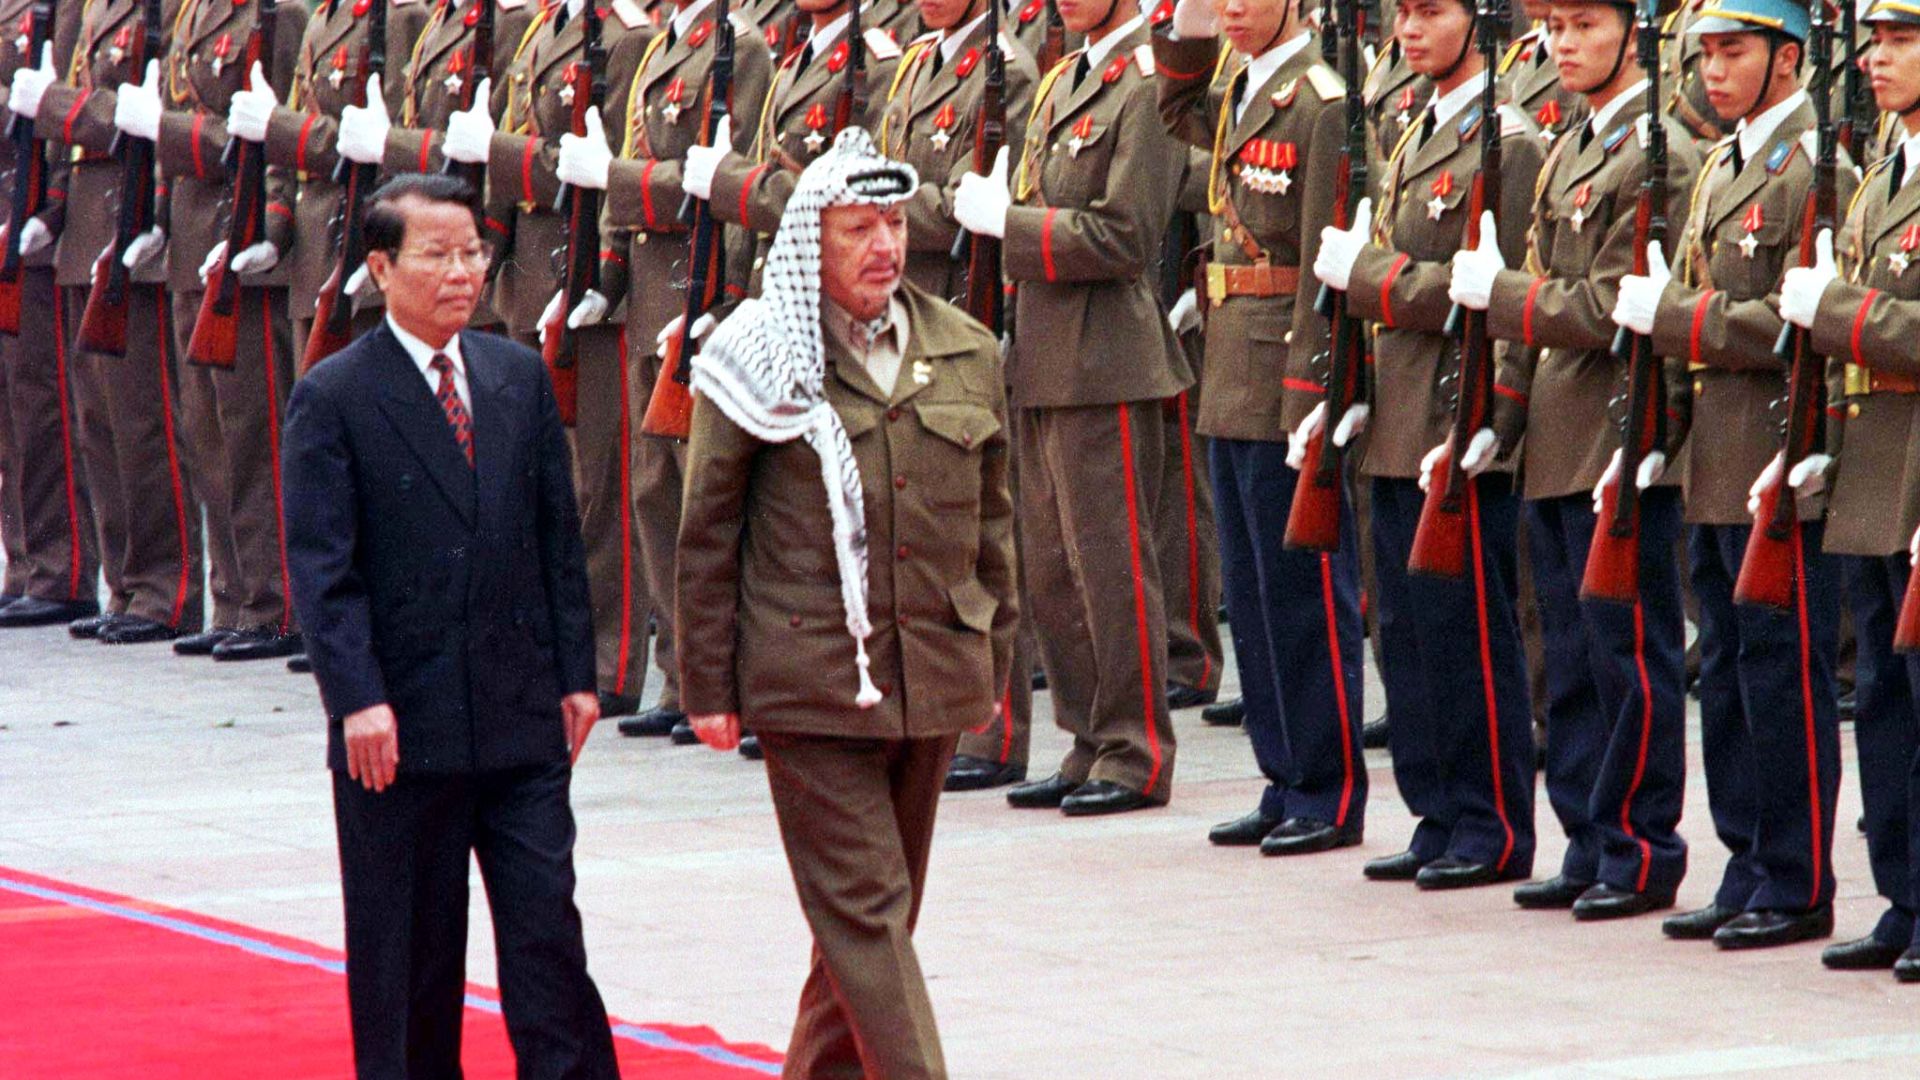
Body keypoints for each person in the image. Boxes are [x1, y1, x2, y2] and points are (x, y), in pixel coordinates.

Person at [676, 129, 1016, 1080]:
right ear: (808, 245)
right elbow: (707, 529)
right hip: (811, 682)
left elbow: (995, 529)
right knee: (867, 915)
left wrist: (993, 664)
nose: (885, 246)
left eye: (896, 223)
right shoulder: (756, 354)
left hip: (933, 673)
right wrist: (707, 683)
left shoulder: (966, 346)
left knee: (866, 928)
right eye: (857, 227)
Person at [281, 173, 620, 1074]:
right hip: (399, 729)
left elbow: (558, 540)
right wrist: (356, 699)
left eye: (473, 251)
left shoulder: (514, 376)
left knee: (548, 940)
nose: (462, 272)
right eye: (438, 255)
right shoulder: (337, 394)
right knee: (411, 961)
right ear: (382, 267)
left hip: (519, 718)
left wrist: (578, 675)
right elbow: (324, 571)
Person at [1448, 0, 1700, 920]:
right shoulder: (1572, 144)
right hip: (1555, 433)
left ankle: (1640, 846)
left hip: (1615, 431)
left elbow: (1609, 304)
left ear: (1632, 34)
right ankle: (1588, 837)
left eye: (1585, 24)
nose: (1563, 43)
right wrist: (1501, 420)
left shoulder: (1655, 151)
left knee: (1626, 657)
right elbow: (1539, 297)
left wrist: (1505, 294)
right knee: (1564, 655)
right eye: (1553, 26)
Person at [1612, 0, 1847, 950]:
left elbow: (1797, 324)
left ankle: (1795, 879)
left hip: (1771, 448)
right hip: (1712, 447)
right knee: (1727, 675)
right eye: (1704, 54)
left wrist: (1677, 319)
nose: (1712, 70)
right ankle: (1747, 860)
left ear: (1787, 59)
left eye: (1735, 52)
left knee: (1779, 674)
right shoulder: (1722, 161)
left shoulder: (1814, 172)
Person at [1315, 0, 1542, 885]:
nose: (1408, 30)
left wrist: (1499, 420)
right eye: (1401, 14)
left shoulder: (1509, 141)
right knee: (1405, 635)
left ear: (1477, 22)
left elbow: (1499, 288)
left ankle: (1491, 823)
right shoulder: (1412, 126)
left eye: (1430, 11)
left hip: (1458, 410)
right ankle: (1436, 810)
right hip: (1400, 413)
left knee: (1469, 636)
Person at [960, 0, 1192, 817]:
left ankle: (1135, 750)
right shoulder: (1067, 79)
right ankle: (1088, 738)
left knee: (1111, 566)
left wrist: (1010, 227)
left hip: (1109, 360)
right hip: (1043, 354)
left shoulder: (1150, 87)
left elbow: (1127, 236)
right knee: (1052, 569)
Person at [1155, 0, 1365, 846]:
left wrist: (1309, 393)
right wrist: (1190, 22)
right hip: (1230, 370)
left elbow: (1322, 260)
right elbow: (1172, 106)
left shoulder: (1320, 102)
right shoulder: (1240, 82)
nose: (1231, 7)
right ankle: (1283, 775)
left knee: (1303, 595)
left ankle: (1328, 790)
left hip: (1284, 370)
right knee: (1251, 588)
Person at [1781, 0, 1920, 982]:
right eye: (1875, 40)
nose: (1878, 58)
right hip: (1872, 457)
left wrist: (1835, 310)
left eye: (1904, 39)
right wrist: (1825, 440)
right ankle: (1903, 896)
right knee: (1880, 694)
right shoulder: (1883, 171)